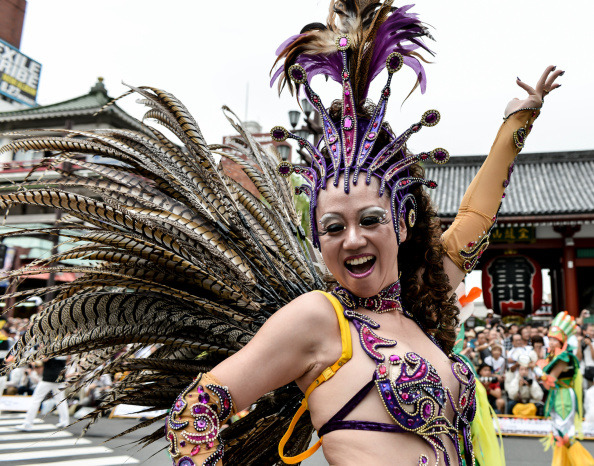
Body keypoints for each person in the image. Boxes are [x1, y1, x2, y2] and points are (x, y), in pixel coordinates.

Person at [0, 2, 561, 465]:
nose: (353, 240)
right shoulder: (321, 318)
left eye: (370, 220)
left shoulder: (420, 302)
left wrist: (517, 121)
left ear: (403, 221)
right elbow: (196, 410)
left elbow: (474, 222)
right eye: (332, 228)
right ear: (318, 240)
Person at [541, 312, 594, 465]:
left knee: (564, 434)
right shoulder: (554, 356)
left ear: (561, 341)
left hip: (563, 396)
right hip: (557, 394)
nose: (551, 342)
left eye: (554, 340)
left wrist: (538, 371)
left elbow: (550, 379)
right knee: (559, 433)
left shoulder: (564, 357)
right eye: (550, 339)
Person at [15, 356, 70, 431]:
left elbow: (45, 359)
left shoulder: (50, 346)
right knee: (61, 400)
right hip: (60, 375)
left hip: (48, 376)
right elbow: (68, 358)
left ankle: (28, 423)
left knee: (36, 400)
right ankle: (64, 421)